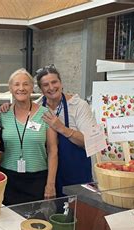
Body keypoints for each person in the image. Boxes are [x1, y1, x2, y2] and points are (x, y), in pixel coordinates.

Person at [0, 68, 58, 205]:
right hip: (9, 179)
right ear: (10, 88)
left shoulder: (45, 114)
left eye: (26, 84)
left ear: (32, 87)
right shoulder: (3, 114)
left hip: (37, 179)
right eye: (17, 84)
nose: (21, 88)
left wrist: (50, 184)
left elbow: (53, 151)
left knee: (36, 222)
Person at [37, 65, 97, 197]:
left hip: (75, 173)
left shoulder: (79, 106)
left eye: (54, 82)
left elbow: (91, 142)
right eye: (46, 85)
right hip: (47, 175)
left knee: (76, 213)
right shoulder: (37, 107)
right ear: (41, 89)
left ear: (61, 83)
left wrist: (61, 128)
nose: (51, 87)